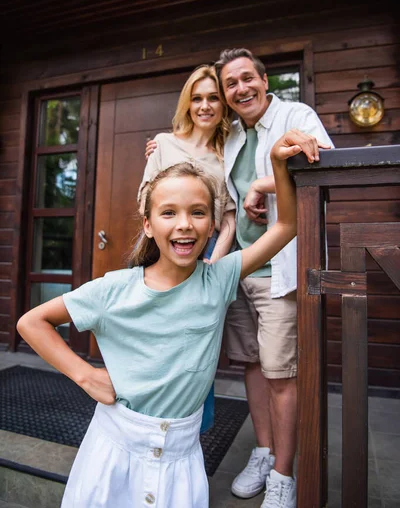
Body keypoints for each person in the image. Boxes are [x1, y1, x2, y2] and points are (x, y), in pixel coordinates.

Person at [16, 129, 327, 508]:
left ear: (212, 225)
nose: (184, 224)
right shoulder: (113, 289)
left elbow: (286, 227)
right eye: (168, 213)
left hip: (182, 457)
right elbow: (31, 322)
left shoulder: (219, 278)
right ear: (148, 225)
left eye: (198, 212)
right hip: (113, 451)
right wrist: (86, 374)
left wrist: (278, 164)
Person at [214, 48, 333, 508]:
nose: (241, 89)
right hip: (239, 269)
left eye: (248, 78)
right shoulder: (229, 138)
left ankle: (285, 473)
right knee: (251, 363)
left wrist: (264, 184)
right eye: (231, 84)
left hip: (279, 270)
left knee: (282, 372)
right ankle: (263, 453)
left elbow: (323, 161)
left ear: (266, 80)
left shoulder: (294, 114)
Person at [139, 64, 236, 434]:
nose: (205, 106)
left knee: (198, 344)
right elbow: (145, 199)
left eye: (213, 98)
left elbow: (227, 218)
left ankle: (192, 434)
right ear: (187, 103)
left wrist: (213, 261)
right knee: (160, 339)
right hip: (164, 250)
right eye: (197, 98)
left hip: (207, 251)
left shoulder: (228, 153)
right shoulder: (164, 144)